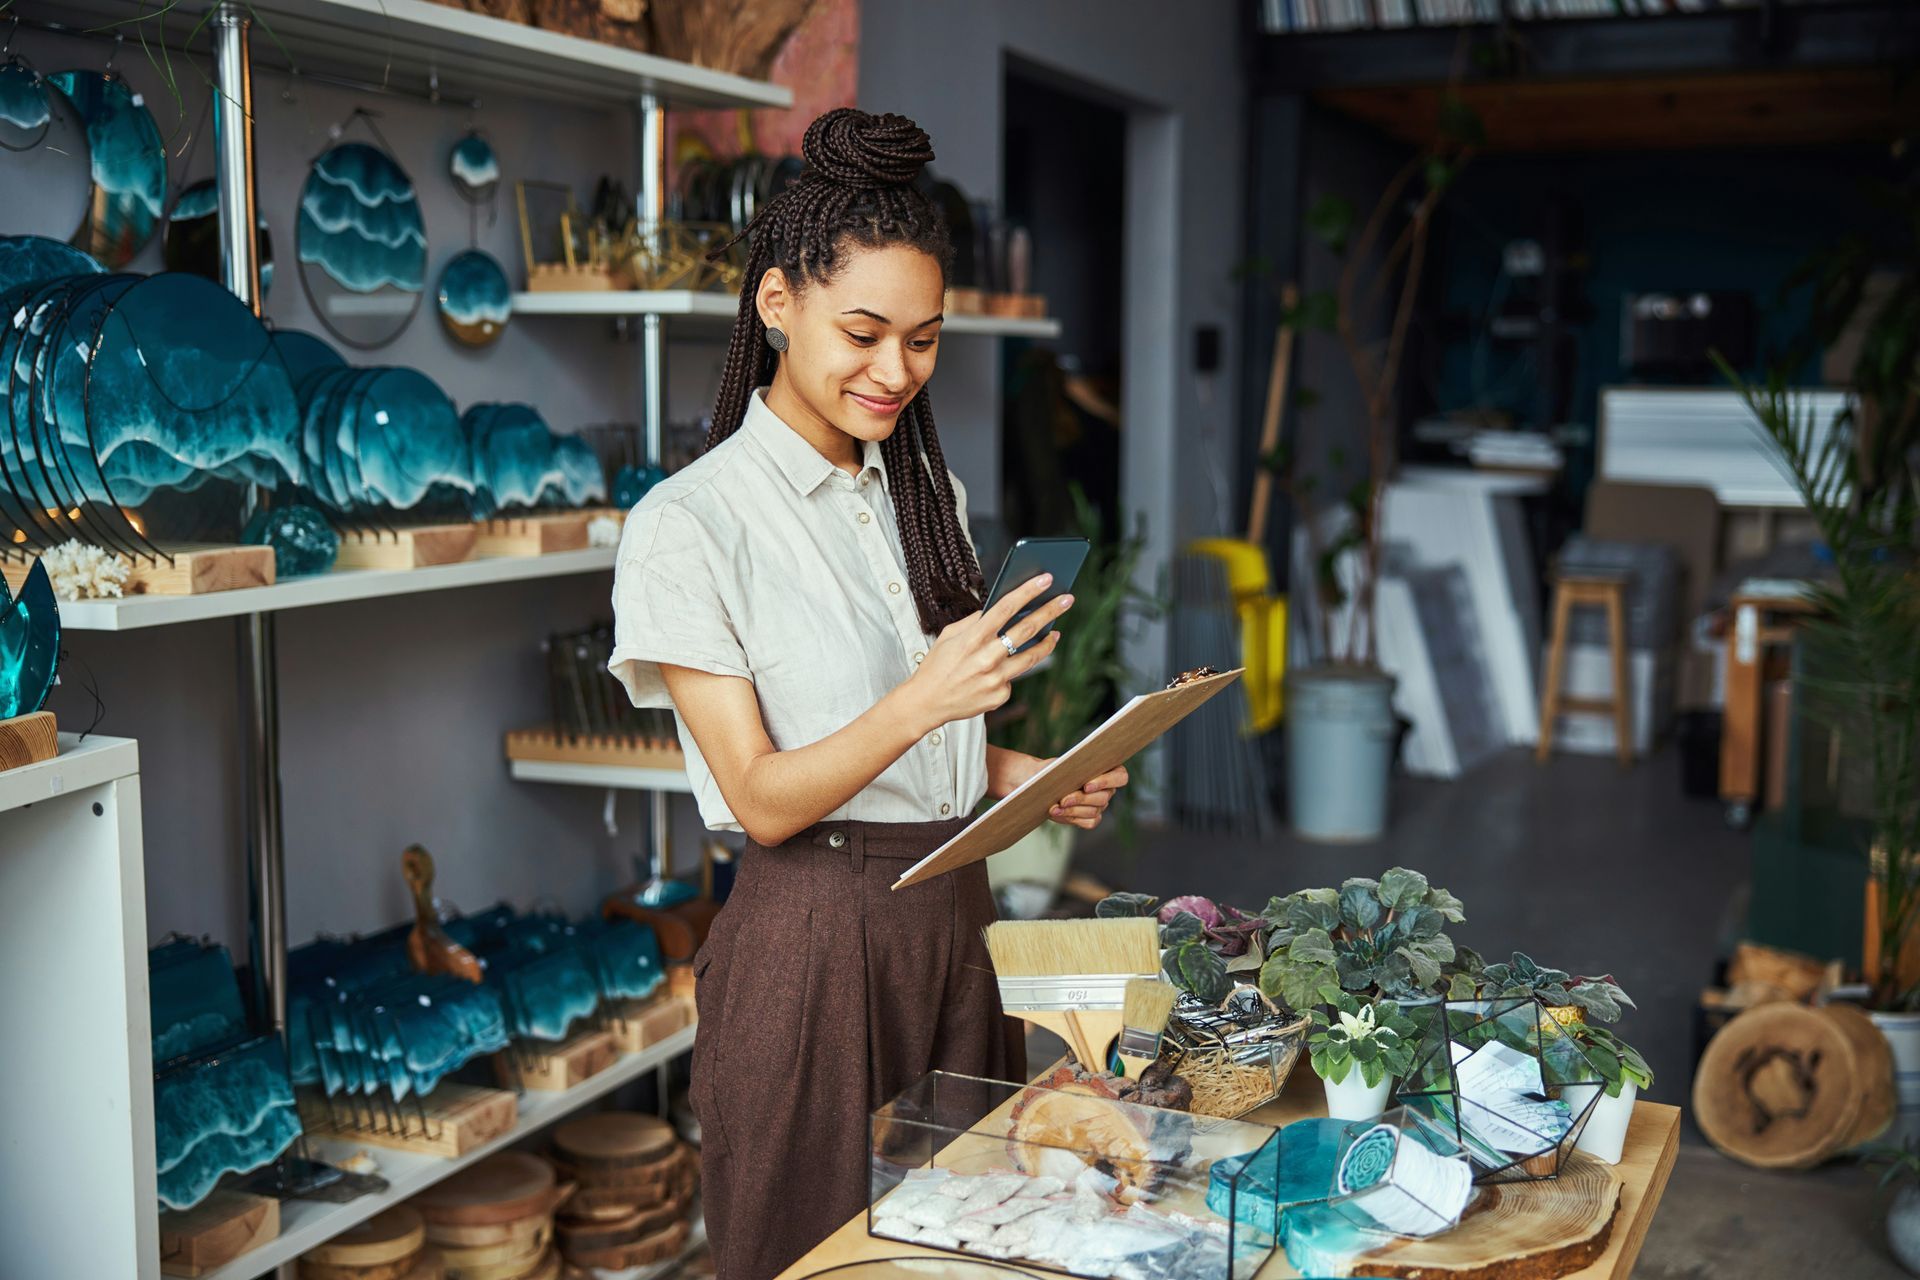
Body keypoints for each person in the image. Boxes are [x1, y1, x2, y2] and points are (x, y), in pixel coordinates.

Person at [608, 107, 1129, 1279]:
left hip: (953, 916)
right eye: (864, 331)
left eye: (926, 340)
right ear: (777, 302)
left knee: (970, 1242)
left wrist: (1031, 779)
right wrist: (926, 697)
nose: (896, 370)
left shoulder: (919, 486)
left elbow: (926, 761)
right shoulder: (689, 525)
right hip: (811, 944)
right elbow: (764, 793)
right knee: (813, 1256)